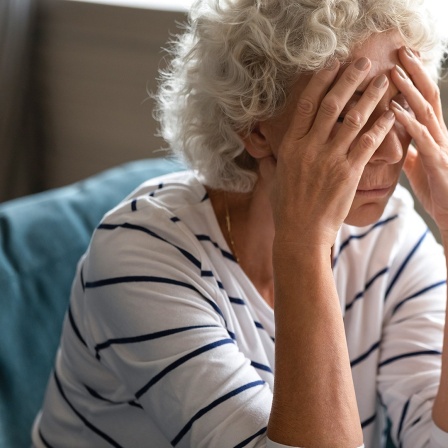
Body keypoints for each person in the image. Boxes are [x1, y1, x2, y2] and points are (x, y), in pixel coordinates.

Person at [32, 0, 448, 446]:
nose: (387, 151)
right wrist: (304, 246)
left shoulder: (394, 240)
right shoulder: (139, 255)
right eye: (350, 116)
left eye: (400, 106)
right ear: (255, 126)